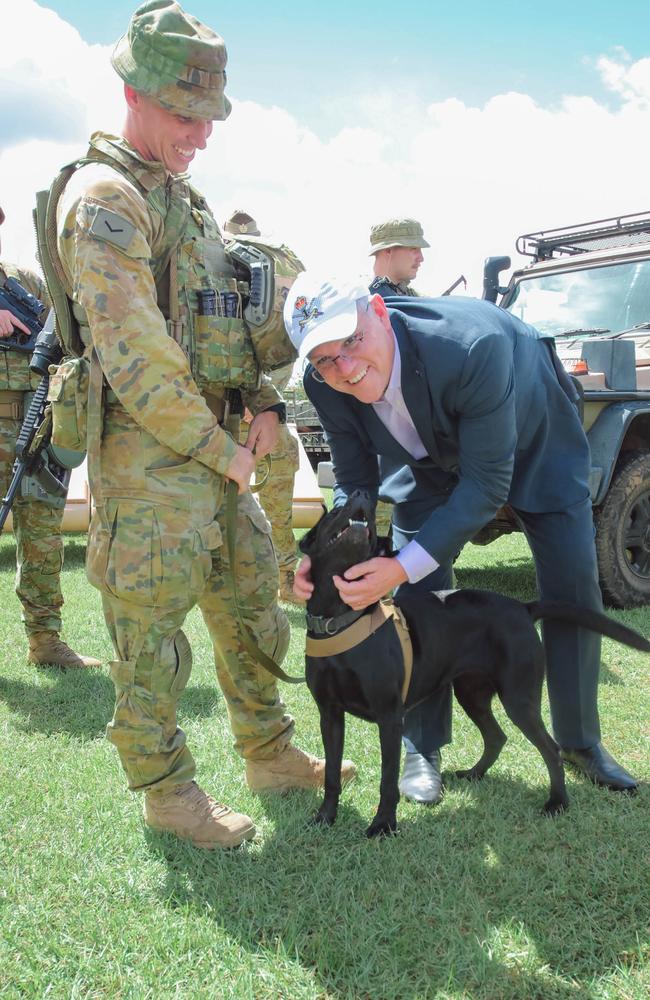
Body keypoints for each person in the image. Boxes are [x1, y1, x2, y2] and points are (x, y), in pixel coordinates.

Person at [45, 1, 354, 850]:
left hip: (219, 453)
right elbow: (137, 354)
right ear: (132, 92)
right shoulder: (103, 200)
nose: (202, 134)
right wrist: (224, 451)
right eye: (186, 114)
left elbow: (223, 327)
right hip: (149, 460)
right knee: (150, 637)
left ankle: (270, 752)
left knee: (255, 602)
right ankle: (167, 794)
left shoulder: (188, 201)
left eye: (211, 116)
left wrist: (258, 402)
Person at [286, 272, 639, 805]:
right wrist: (330, 554)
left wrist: (401, 563)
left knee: (571, 587)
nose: (347, 369)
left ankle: (580, 742)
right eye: (326, 359)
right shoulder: (324, 384)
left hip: (533, 446)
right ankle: (422, 748)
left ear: (379, 314)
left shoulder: (473, 348)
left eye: (352, 342)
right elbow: (356, 486)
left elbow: (486, 483)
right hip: (428, 466)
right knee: (415, 594)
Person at [0, 205, 100, 669]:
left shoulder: (22, 281)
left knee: (42, 537)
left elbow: (62, 321)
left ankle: (45, 641)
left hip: (36, 424)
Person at [223, 210, 300, 603]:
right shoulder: (277, 274)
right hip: (270, 419)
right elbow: (287, 348)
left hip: (228, 420)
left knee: (226, 513)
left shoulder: (218, 278)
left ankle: (252, 584)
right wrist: (270, 399)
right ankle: (286, 580)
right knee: (275, 511)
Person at [368, 217, 429, 298]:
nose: (421, 258)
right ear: (388, 250)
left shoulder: (417, 298)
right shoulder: (358, 298)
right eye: (414, 248)